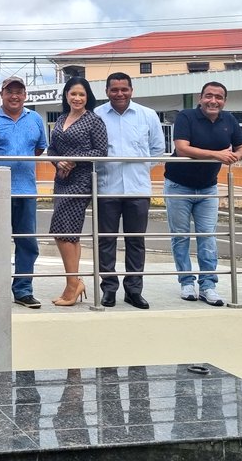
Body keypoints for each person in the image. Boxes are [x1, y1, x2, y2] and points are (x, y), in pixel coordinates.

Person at [163, 81, 242, 306]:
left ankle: (208, 285)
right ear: (200, 98)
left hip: (208, 187)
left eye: (218, 97)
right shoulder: (186, 116)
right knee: (180, 236)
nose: (213, 101)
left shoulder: (228, 120)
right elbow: (182, 148)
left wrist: (235, 156)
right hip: (178, 185)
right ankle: (186, 282)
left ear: (224, 101)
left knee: (208, 237)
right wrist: (217, 155)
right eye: (209, 96)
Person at [94, 72, 165, 310]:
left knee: (136, 241)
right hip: (107, 188)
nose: (119, 94)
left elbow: (157, 148)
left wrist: (141, 168)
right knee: (106, 241)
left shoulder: (148, 115)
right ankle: (109, 289)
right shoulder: (96, 115)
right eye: (114, 89)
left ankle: (134, 290)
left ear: (131, 90)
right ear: (106, 91)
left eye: (124, 89)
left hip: (138, 188)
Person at [0, 77, 47, 309]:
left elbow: (39, 148)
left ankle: (23, 291)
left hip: (26, 190)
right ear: (2, 95)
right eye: (10, 92)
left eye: (19, 92)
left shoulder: (35, 119)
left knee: (27, 243)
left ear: (25, 95)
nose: (14, 96)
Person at [47, 76, 109, 307]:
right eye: (73, 93)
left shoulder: (94, 120)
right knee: (67, 234)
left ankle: (73, 285)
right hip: (61, 179)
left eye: (81, 94)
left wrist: (72, 159)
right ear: (66, 95)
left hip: (81, 180)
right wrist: (58, 161)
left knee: (62, 231)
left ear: (88, 97)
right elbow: (52, 149)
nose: (77, 98)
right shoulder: (61, 118)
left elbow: (101, 152)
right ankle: (74, 283)